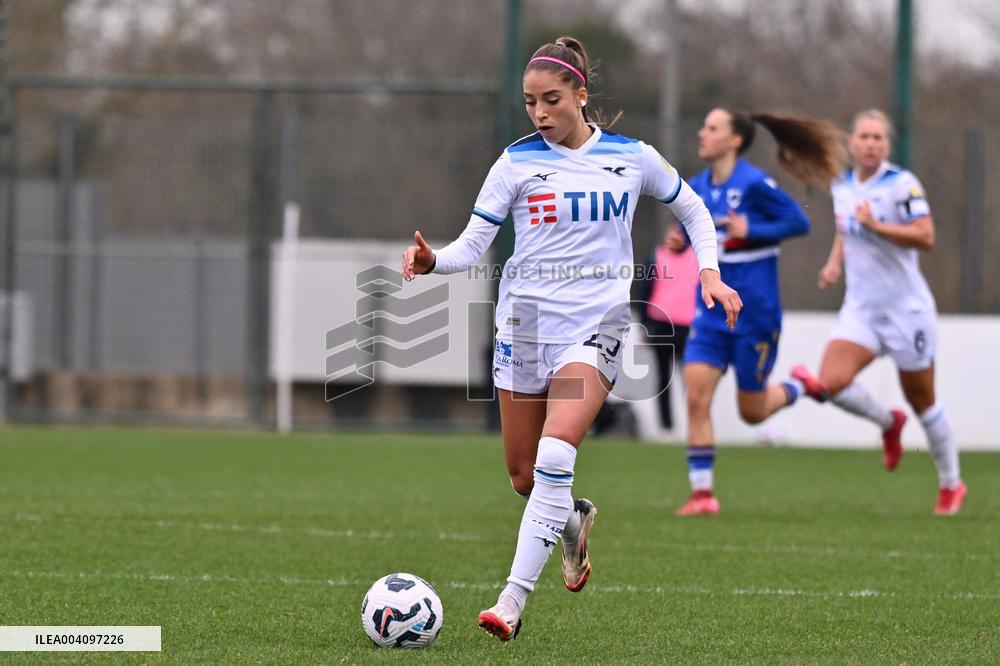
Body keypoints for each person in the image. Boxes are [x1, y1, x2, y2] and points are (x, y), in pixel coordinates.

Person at [401, 36, 742, 641]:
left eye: (551, 100)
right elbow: (474, 243)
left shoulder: (632, 157)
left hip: (598, 324)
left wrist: (709, 272)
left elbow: (693, 210)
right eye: (530, 102)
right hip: (526, 325)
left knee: (556, 454)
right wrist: (434, 263)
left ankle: (510, 602)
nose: (539, 113)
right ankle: (572, 519)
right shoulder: (515, 162)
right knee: (524, 476)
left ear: (580, 94)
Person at [790, 109, 966, 516]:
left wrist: (878, 227)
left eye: (878, 138)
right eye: (864, 137)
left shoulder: (902, 184)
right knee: (831, 383)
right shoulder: (842, 184)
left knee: (923, 401)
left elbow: (926, 236)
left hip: (907, 311)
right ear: (852, 143)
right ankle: (889, 423)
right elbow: (845, 228)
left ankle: (951, 483)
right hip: (862, 309)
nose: (871, 144)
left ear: (887, 145)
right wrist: (834, 262)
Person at [676, 107, 846, 516]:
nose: (702, 133)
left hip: (755, 314)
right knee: (696, 396)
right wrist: (679, 239)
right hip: (711, 312)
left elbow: (798, 222)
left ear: (734, 141)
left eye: (712, 128)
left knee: (751, 413)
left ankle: (800, 386)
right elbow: (693, 231)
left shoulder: (754, 184)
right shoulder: (695, 187)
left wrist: (752, 230)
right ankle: (702, 495)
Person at [634, 223, 699, 433]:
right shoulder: (657, 257)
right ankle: (666, 427)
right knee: (663, 378)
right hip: (661, 325)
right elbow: (645, 292)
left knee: (691, 378)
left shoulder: (697, 258)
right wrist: (644, 325)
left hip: (687, 327)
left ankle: (695, 423)